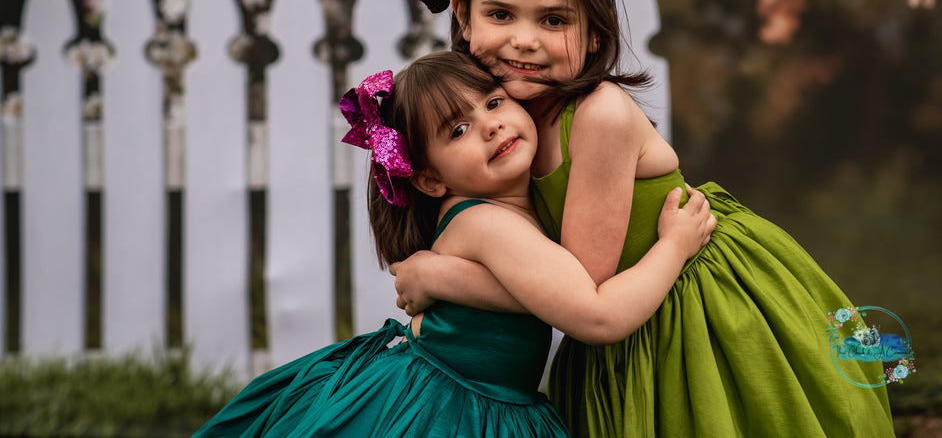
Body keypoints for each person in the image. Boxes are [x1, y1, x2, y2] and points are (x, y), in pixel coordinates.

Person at [398, 0, 897, 436]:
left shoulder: (599, 115)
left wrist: (440, 275)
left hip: (694, 299)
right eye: (501, 14)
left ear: (593, 34)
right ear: (463, 17)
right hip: (627, 309)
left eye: (554, 20)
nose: (524, 39)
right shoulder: (502, 123)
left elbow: (583, 288)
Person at [192, 51, 715, 438]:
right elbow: (596, 315)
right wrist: (673, 245)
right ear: (429, 180)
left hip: (474, 394)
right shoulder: (489, 223)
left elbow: (539, 288)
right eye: (458, 129)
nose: (490, 126)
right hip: (452, 409)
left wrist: (435, 275)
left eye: (492, 102)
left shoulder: (514, 206)